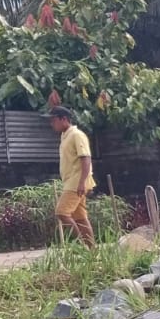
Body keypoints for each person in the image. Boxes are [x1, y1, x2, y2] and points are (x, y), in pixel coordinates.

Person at [49, 105, 96, 247]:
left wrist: (82, 182)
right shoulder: (65, 136)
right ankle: (92, 251)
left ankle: (82, 246)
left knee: (62, 212)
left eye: (54, 120)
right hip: (71, 181)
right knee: (80, 218)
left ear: (64, 119)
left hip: (77, 181)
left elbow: (86, 158)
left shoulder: (77, 135)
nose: (52, 124)